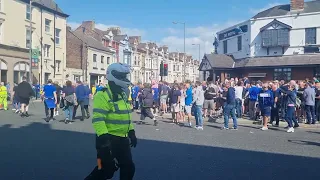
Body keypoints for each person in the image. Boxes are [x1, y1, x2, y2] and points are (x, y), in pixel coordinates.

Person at [86, 63, 136, 180]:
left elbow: (126, 116)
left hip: (122, 140)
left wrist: (131, 131)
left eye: (125, 76)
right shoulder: (103, 95)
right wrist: (104, 138)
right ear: (113, 76)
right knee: (105, 170)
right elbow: (98, 119)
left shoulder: (122, 94)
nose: (124, 79)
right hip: (108, 139)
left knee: (129, 168)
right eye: (121, 76)